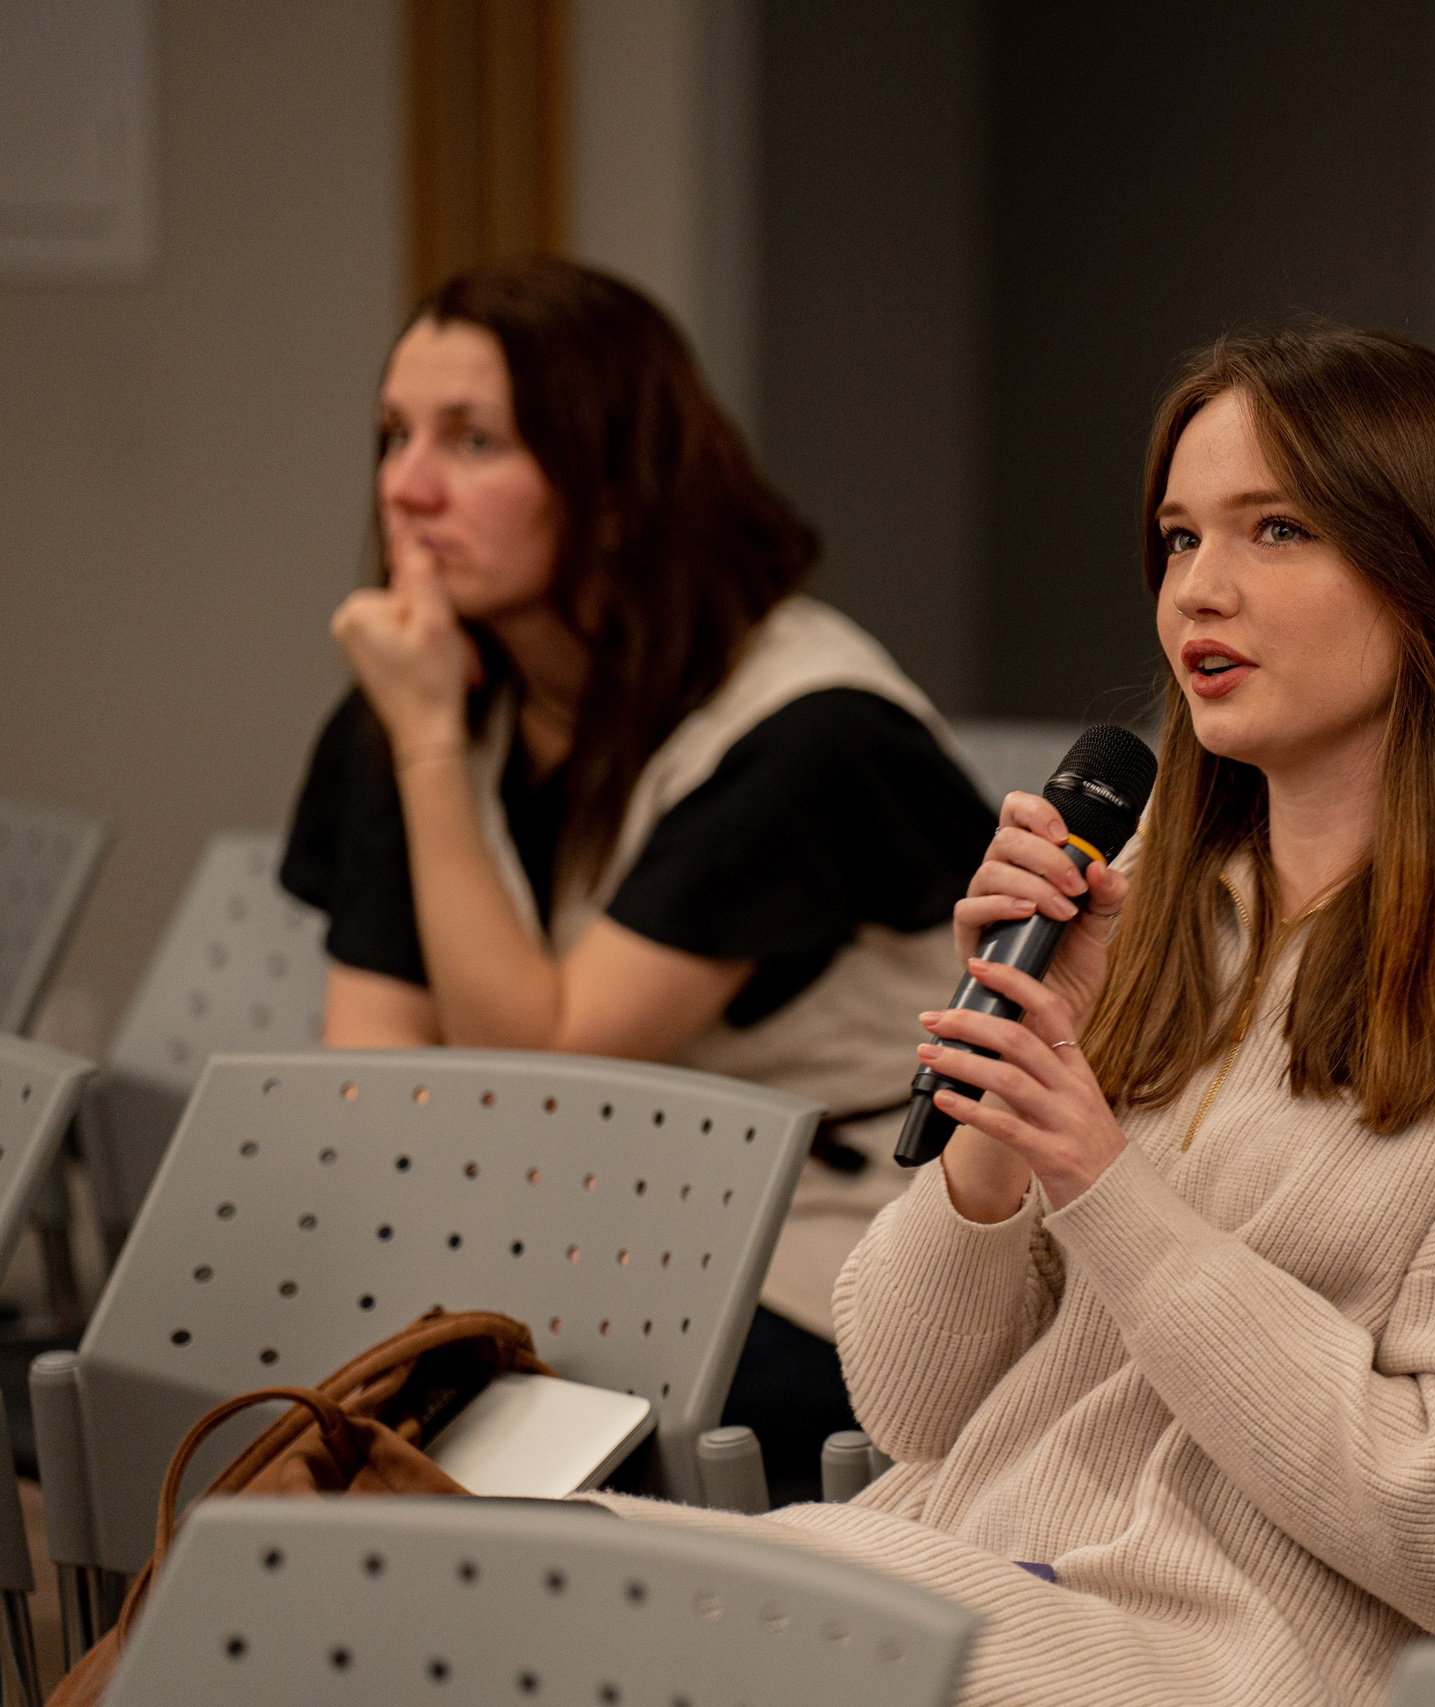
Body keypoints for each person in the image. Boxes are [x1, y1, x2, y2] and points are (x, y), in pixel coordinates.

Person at [583, 326, 1435, 1706]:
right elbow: (912, 1403)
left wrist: (1103, 1181)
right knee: (500, 1568)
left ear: (1428, 581)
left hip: (1224, 1663)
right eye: (1179, 539)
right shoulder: (1157, 914)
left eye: (1276, 530)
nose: (1201, 592)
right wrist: (1001, 1127)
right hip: (958, 1568)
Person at [280, 256, 995, 1496]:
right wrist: (423, 734)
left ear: (613, 488)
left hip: (841, 1270)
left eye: (474, 441)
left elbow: (550, 1067)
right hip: (584, 1230)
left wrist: (431, 747)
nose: (406, 486)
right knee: (318, 1404)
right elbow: (373, 1091)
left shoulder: (805, 730)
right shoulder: (419, 697)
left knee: (472, 1460)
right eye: (394, 435)